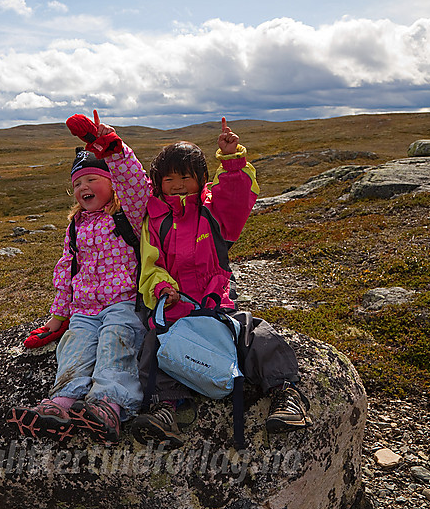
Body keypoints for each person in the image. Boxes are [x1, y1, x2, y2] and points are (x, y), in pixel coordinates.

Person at [130, 118, 312, 446]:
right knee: (152, 345)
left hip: (217, 302)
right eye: (168, 179)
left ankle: (285, 395)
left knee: (255, 334)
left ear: (201, 179)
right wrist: (161, 289)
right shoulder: (153, 220)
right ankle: (165, 410)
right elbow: (149, 263)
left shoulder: (215, 212)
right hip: (173, 305)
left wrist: (231, 161)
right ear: (158, 183)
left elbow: (237, 196)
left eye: (186, 177)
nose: (177, 185)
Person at [8, 111, 151, 444]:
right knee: (74, 345)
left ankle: (109, 405)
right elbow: (66, 271)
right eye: (77, 183)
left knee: (116, 342)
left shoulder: (128, 213)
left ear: (112, 182)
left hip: (123, 303)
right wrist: (57, 320)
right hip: (84, 309)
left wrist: (111, 149)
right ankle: (60, 403)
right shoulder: (75, 226)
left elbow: (135, 183)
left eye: (91, 179)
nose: (83, 186)